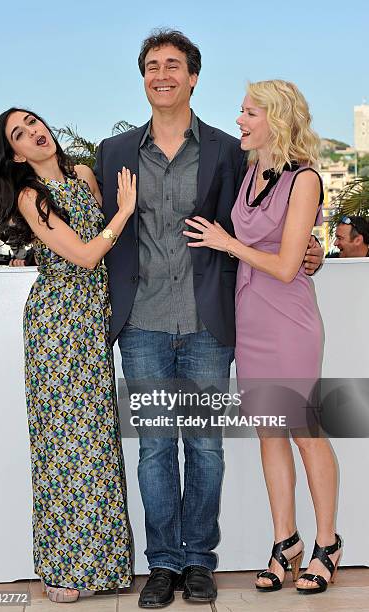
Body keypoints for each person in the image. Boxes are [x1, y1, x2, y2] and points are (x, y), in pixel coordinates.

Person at [94, 30, 324, 608]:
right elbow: (97, 230)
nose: (162, 74)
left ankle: (200, 561)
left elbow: (255, 221)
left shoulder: (227, 150)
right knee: (152, 449)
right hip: (142, 323)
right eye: (152, 65)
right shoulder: (114, 152)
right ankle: (163, 565)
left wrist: (311, 248)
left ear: (193, 77)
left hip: (206, 325)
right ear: (142, 77)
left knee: (204, 448)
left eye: (174, 65)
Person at [184, 79, 342, 595]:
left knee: (303, 430)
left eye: (249, 112)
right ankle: (285, 543)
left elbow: (287, 263)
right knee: (269, 432)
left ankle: (326, 544)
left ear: (276, 117)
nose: (240, 120)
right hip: (249, 320)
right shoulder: (251, 172)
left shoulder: (306, 180)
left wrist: (227, 242)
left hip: (289, 320)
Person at [0, 108, 136, 602]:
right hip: (57, 326)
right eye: (19, 135)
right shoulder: (31, 197)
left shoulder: (84, 175)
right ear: (15, 154)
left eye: (34, 123)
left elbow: (108, 257)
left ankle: (103, 566)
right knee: (61, 450)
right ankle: (63, 569)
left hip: (91, 324)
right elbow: (87, 255)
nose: (35, 134)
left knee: (95, 445)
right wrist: (123, 212)